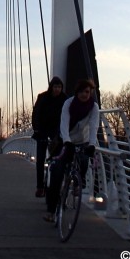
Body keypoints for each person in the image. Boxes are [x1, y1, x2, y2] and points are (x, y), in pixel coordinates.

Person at [43, 77, 99, 222]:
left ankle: (78, 184)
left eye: (87, 92)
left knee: (84, 161)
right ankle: (51, 210)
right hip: (66, 141)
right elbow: (64, 123)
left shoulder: (93, 107)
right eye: (81, 92)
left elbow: (93, 127)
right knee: (57, 173)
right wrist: (67, 141)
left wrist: (92, 144)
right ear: (77, 92)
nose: (84, 95)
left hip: (82, 141)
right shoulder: (68, 103)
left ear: (90, 92)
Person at [31, 76, 67, 197]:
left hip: (56, 131)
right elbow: (36, 113)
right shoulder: (42, 97)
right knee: (40, 160)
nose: (57, 89)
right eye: (55, 87)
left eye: (59, 87)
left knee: (57, 158)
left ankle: (56, 185)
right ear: (51, 87)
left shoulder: (64, 99)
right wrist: (36, 129)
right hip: (42, 130)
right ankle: (40, 187)